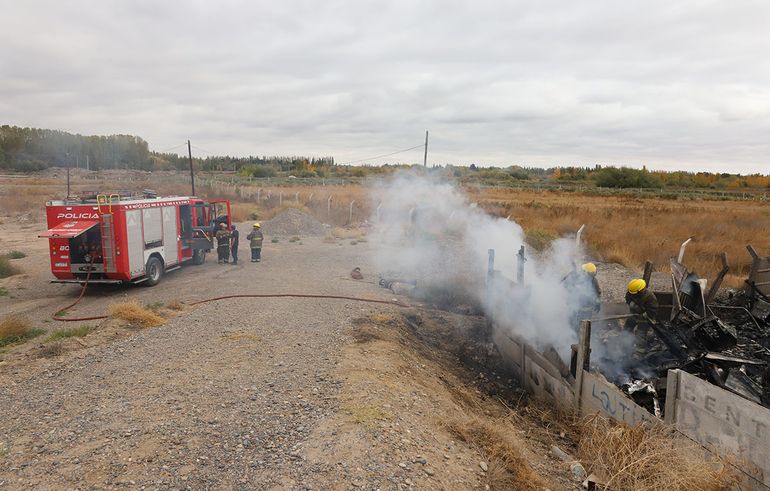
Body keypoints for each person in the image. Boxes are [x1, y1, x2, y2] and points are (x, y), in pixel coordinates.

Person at [563, 262, 602, 331]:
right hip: (574, 308)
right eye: (590, 275)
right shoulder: (574, 276)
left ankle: (583, 334)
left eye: (593, 275)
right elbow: (564, 284)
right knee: (573, 325)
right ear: (584, 273)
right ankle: (572, 334)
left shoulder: (593, 280)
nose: (591, 277)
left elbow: (598, 292)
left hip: (587, 310)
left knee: (585, 326)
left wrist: (597, 302)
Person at [625, 278, 659, 355]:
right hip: (634, 314)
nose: (632, 295)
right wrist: (633, 307)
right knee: (627, 328)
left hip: (645, 317)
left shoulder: (650, 296)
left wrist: (642, 316)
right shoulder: (630, 293)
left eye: (634, 293)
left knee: (641, 333)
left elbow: (653, 310)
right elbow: (628, 300)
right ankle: (625, 343)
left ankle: (640, 351)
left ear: (641, 290)